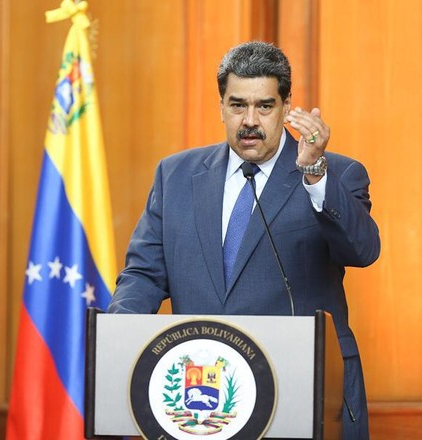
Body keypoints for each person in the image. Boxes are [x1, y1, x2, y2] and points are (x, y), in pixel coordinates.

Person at [108, 41, 380, 439]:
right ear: (221, 107)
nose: (250, 120)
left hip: (299, 389)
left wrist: (315, 174)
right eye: (237, 105)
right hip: (202, 398)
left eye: (264, 106)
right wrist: (119, 336)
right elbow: (144, 275)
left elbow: (363, 250)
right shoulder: (176, 176)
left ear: (287, 107)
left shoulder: (335, 173)